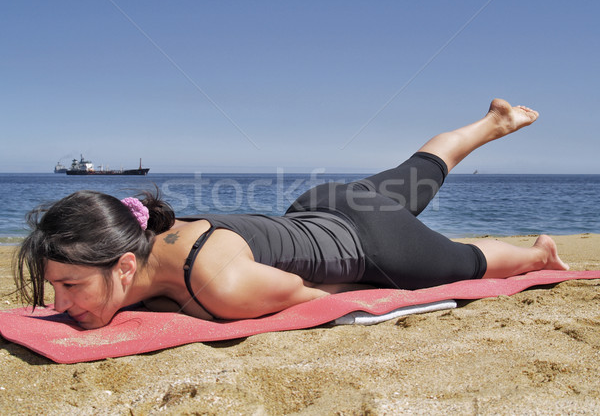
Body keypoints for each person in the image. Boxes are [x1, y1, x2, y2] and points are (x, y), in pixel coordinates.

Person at [14, 98, 568, 329]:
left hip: (371, 242)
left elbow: (328, 300)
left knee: (469, 262)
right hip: (319, 205)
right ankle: (491, 122)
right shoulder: (141, 231)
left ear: (125, 267)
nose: (60, 304)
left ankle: (537, 251)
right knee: (419, 169)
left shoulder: (221, 286)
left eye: (70, 285)